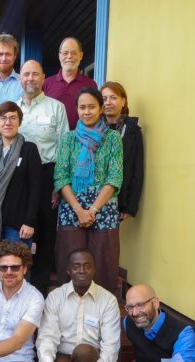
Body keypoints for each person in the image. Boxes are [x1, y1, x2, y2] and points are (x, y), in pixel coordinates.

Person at [54, 87, 123, 295]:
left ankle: (102, 313)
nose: (87, 112)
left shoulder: (113, 138)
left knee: (103, 262)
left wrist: (92, 210)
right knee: (70, 259)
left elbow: (114, 177)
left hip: (104, 208)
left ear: (101, 108)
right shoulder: (68, 138)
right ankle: (68, 311)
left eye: (92, 107)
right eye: (82, 107)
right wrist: (79, 209)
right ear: (76, 109)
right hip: (72, 207)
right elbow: (61, 176)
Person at [16, 60, 69, 296]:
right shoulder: (13, 109)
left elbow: (64, 147)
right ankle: (20, 284)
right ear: (20, 78)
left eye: (35, 74)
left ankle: (39, 287)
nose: (30, 78)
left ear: (43, 77)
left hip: (48, 173)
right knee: (21, 230)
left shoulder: (56, 108)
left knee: (46, 233)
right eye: (26, 74)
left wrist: (58, 185)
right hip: (19, 176)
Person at [0, 101, 41, 261]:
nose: (8, 122)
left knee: (18, 269)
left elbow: (36, 189)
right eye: (3, 118)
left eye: (13, 118)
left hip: (18, 227)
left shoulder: (28, 149)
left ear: (20, 122)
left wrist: (30, 222)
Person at [101, 81, 144, 221]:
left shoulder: (132, 131)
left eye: (113, 98)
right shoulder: (92, 128)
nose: (108, 102)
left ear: (123, 101)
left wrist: (130, 206)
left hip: (119, 198)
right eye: (104, 98)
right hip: (91, 196)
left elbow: (137, 169)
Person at [42, 37, 98, 129]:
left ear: (81, 55)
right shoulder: (46, 84)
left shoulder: (91, 84)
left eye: (73, 53)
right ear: (59, 56)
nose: (69, 56)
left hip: (81, 140)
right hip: (52, 140)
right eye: (65, 53)